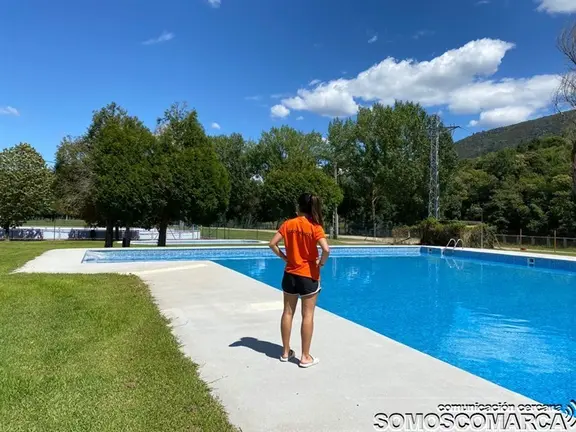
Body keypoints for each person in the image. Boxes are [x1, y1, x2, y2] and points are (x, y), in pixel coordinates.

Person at [268, 193, 330, 368]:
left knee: (287, 312)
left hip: (290, 274)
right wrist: (321, 263)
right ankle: (305, 357)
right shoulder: (315, 227)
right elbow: (326, 249)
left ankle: (285, 352)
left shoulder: (288, 224)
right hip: (308, 275)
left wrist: (285, 258)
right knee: (307, 315)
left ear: (299, 206)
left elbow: (272, 244)